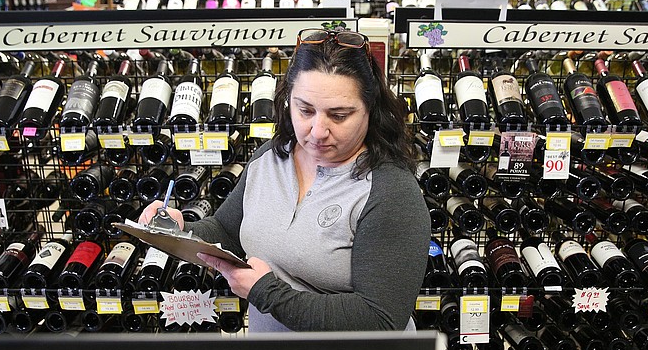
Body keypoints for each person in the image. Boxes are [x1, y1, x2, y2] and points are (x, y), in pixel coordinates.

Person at [138, 27, 431, 332]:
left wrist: (267, 294)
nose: (318, 131)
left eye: (339, 115)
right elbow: (226, 229)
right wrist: (180, 229)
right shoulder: (270, 157)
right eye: (305, 110)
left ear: (370, 110)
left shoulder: (391, 192)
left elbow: (379, 319)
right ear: (287, 99)